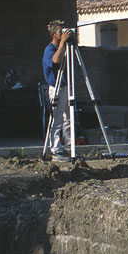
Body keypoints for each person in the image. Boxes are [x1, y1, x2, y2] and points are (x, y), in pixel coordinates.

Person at [43, 20, 72, 161]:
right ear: (54, 34)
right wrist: (62, 44)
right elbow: (55, 61)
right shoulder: (50, 49)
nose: (63, 33)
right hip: (56, 87)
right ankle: (55, 148)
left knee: (68, 117)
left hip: (65, 86)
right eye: (61, 31)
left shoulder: (65, 47)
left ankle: (69, 145)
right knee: (57, 118)